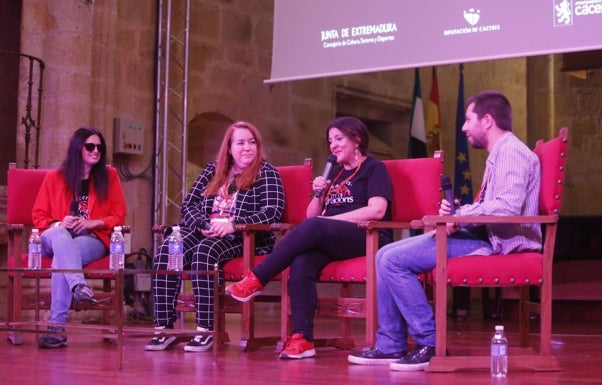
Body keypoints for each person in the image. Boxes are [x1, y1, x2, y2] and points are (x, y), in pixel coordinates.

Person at [348, 90, 542, 371]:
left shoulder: (511, 152)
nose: (464, 127)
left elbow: (508, 209)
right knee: (384, 254)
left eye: (468, 119)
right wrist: (459, 211)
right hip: (484, 232)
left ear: (487, 120)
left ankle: (430, 343)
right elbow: (495, 205)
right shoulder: (502, 152)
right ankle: (390, 344)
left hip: (498, 241)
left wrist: (459, 216)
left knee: (392, 260)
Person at [226, 116, 393, 359]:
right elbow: (311, 215)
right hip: (330, 236)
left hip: (367, 235)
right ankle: (304, 339)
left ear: (357, 140)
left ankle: (257, 278)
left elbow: (377, 209)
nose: (333, 145)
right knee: (301, 263)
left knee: (314, 227)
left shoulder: (374, 168)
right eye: (330, 141)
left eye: (339, 139)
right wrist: (318, 194)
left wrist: (328, 221)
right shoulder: (334, 174)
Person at [145, 121, 285, 353]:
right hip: (205, 230)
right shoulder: (213, 170)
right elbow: (189, 205)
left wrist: (233, 225)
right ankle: (163, 328)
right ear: (229, 147)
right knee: (168, 250)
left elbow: (272, 212)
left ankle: (205, 330)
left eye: (252, 142)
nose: (247, 148)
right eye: (240, 143)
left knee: (205, 251)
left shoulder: (266, 172)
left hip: (243, 237)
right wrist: (202, 224)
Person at [32, 127, 128, 349]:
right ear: (78, 148)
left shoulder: (110, 176)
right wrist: (59, 223)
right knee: (61, 236)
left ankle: (56, 329)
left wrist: (91, 222)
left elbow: (119, 214)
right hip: (54, 236)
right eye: (90, 146)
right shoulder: (54, 178)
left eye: (100, 147)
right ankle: (79, 287)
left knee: (61, 258)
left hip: (91, 237)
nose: (96, 151)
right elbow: (38, 216)